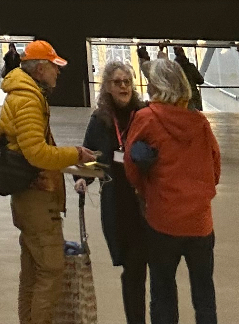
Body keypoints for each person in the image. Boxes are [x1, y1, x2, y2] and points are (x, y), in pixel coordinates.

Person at [0, 39, 97, 324]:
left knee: (33, 272)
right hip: (36, 199)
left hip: (29, 197)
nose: (58, 73)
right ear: (41, 69)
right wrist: (75, 154)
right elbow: (36, 154)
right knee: (51, 270)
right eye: (55, 67)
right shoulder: (28, 99)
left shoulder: (26, 94)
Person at [124, 57, 221, 324]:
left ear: (155, 85)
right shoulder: (199, 121)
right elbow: (215, 165)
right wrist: (201, 194)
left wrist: (146, 191)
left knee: (163, 291)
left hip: (163, 219)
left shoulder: (146, 118)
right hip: (200, 222)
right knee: (204, 293)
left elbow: (131, 167)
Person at [83, 58, 149, 324]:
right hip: (117, 204)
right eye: (117, 82)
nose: (124, 86)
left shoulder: (144, 114)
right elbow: (90, 156)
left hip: (145, 202)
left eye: (127, 82)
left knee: (139, 267)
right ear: (107, 87)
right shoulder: (100, 120)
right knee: (131, 269)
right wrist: (83, 179)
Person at [172, 47, 204, 112]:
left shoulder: (173, 69)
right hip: (193, 94)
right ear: (183, 53)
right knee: (197, 116)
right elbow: (201, 80)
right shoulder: (191, 67)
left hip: (180, 97)